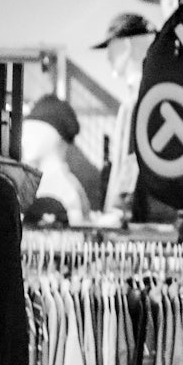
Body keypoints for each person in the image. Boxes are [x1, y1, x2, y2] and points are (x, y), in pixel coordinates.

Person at [92, 12, 158, 220]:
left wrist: (119, 211)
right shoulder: (143, 98)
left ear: (127, 45)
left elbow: (133, 159)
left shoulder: (141, 101)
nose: (108, 57)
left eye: (111, 47)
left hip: (136, 220)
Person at [21, 94, 90, 226]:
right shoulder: (26, 180)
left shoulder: (66, 189)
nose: (24, 140)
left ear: (57, 138)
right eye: (25, 132)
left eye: (34, 133)